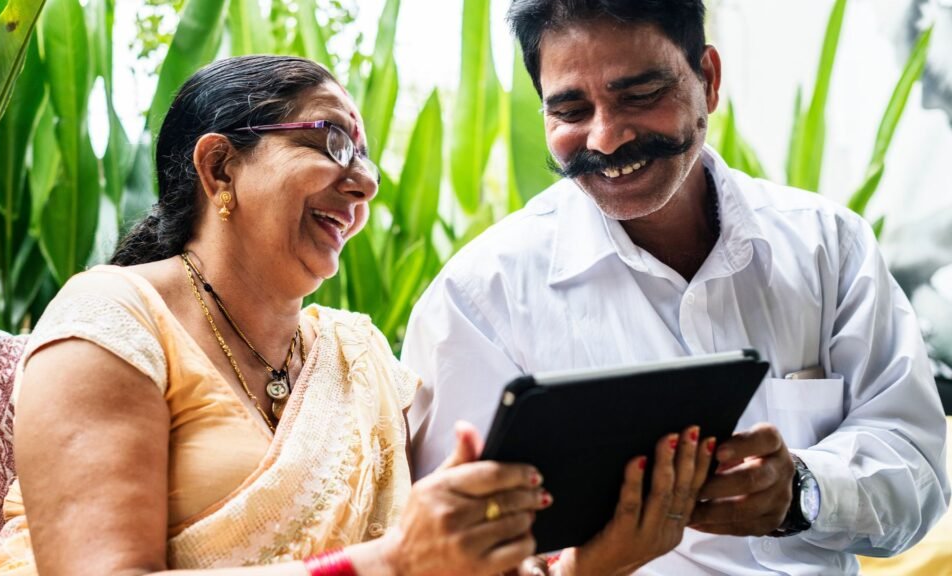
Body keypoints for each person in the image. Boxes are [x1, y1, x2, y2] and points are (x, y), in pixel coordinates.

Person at [0, 55, 711, 576]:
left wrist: (588, 565)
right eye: (331, 141)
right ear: (219, 167)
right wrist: (386, 564)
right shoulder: (114, 316)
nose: (363, 184)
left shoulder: (356, 357)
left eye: (365, 157)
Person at [402, 1, 951, 574]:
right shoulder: (476, 300)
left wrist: (801, 490)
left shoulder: (827, 246)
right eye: (569, 109)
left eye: (639, 95)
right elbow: (450, 552)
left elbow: (915, 465)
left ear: (708, 80)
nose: (607, 138)